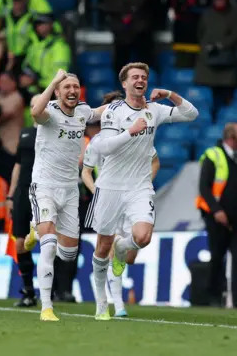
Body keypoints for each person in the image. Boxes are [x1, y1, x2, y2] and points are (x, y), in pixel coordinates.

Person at [89, 62, 198, 320]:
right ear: (124, 83)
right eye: (135, 77)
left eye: (144, 77)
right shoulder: (113, 111)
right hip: (110, 186)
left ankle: (122, 248)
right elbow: (104, 148)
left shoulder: (155, 110)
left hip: (139, 187)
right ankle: (101, 302)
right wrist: (130, 132)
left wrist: (170, 94)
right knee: (102, 245)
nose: (140, 80)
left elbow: (191, 114)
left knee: (143, 237)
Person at [29, 70, 107, 322]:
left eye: (75, 86)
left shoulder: (83, 111)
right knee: (49, 246)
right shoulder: (49, 110)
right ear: (58, 92)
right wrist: (53, 81)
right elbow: (34, 113)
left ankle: (34, 228)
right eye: (66, 87)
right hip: (44, 186)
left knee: (68, 254)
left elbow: (99, 112)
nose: (72, 90)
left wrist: (127, 103)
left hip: (70, 190)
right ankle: (46, 307)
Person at [81, 91, 160, 317]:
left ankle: (117, 298)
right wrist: (97, 191)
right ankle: (115, 305)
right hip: (109, 197)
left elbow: (155, 163)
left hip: (132, 195)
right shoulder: (98, 141)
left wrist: (142, 184)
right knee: (106, 248)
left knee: (129, 255)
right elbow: (86, 171)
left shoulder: (138, 137)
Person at [196, 123, 237, 309]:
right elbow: (204, 188)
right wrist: (216, 210)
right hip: (217, 219)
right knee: (217, 258)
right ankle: (215, 297)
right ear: (232, 137)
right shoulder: (213, 156)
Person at [6, 95, 40, 307]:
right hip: (22, 193)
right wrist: (11, 194)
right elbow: (18, 164)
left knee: (48, 243)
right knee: (20, 242)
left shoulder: (54, 132)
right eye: (32, 104)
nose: (35, 107)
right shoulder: (25, 133)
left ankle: (51, 289)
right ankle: (28, 291)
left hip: (44, 192)